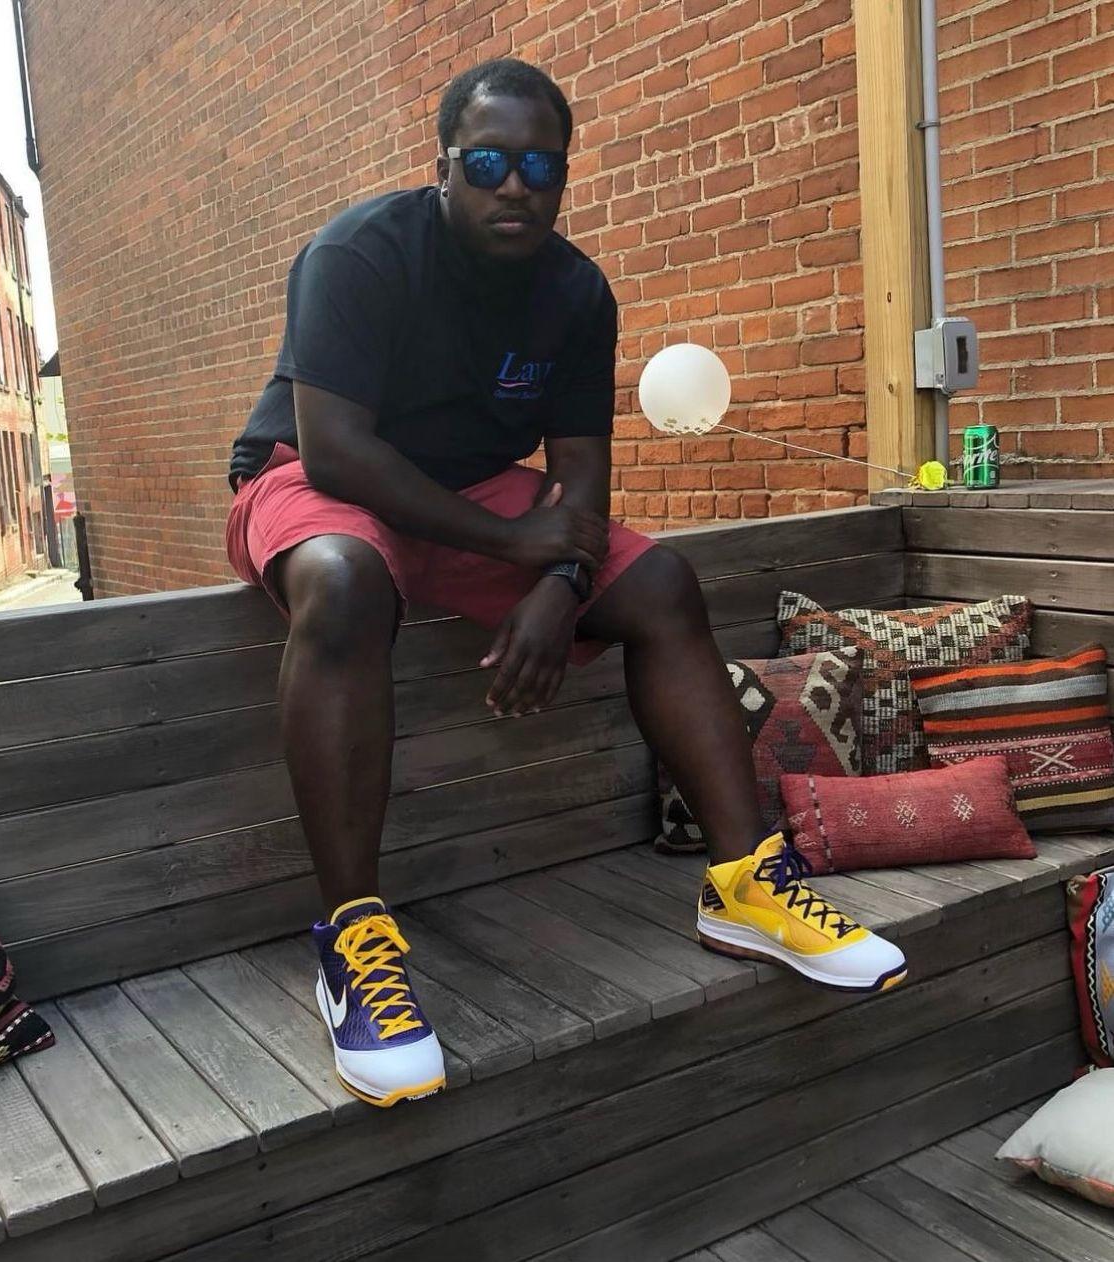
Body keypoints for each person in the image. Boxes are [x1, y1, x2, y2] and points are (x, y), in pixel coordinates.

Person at [227, 58, 906, 1109]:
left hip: (472, 493)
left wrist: (561, 578)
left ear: (562, 176)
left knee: (664, 582)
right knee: (346, 582)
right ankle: (354, 944)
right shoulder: (358, 254)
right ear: (443, 164)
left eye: (539, 167)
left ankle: (743, 886)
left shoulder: (576, 291)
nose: (514, 186)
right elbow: (337, 452)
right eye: (487, 163)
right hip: (318, 478)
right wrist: (517, 546)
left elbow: (581, 473)